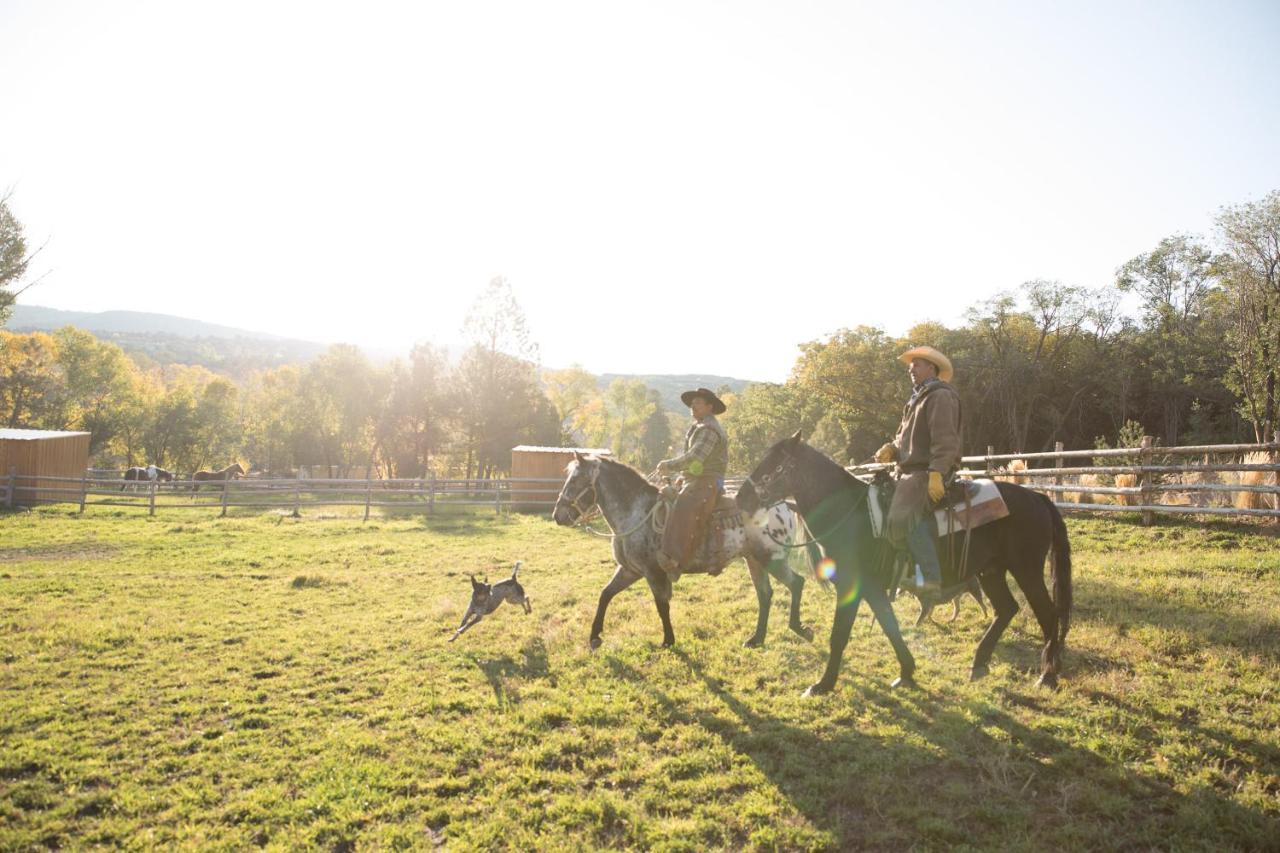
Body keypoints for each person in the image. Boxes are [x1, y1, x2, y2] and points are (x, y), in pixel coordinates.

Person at [874, 345, 962, 597]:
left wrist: (937, 472)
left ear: (931, 368)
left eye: (917, 364)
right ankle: (902, 570)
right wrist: (891, 448)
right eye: (911, 365)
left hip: (928, 471)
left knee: (903, 516)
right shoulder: (918, 397)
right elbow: (903, 437)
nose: (911, 369)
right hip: (910, 471)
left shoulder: (940, 396)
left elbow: (946, 440)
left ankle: (931, 579)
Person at [654, 388, 729, 576]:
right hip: (696, 479)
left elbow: (696, 457)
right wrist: (681, 474)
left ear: (709, 407)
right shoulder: (700, 426)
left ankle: (675, 559)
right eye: (692, 403)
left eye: (698, 403)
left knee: (684, 504)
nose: (693, 406)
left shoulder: (709, 429)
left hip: (707, 482)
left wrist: (669, 465)